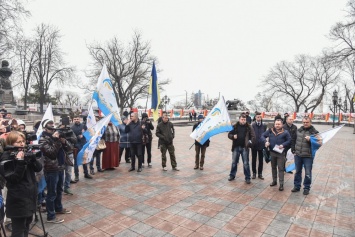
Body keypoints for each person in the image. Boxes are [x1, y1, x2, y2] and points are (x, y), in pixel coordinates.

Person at [0, 131, 42, 236]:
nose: (22, 144)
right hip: (18, 199)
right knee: (18, 230)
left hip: (30, 196)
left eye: (23, 141)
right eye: (18, 142)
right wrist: (20, 162)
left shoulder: (24, 152)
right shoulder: (6, 158)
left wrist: (33, 159)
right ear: (11, 143)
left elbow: (38, 168)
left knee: (27, 225)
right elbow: (13, 179)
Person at [39, 119, 72, 223]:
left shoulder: (57, 137)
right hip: (51, 169)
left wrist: (63, 141)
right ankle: (51, 216)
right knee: (51, 193)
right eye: (50, 125)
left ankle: (58, 208)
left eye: (53, 124)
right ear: (45, 127)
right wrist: (56, 140)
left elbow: (70, 148)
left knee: (59, 190)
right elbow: (51, 154)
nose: (53, 127)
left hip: (60, 167)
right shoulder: (43, 139)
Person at [262, 119, 291, 191]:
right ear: (274, 124)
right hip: (272, 152)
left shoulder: (285, 132)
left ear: (282, 125)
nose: (277, 126)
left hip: (281, 153)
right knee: (273, 167)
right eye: (276, 124)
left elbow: (289, 140)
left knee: (281, 168)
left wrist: (283, 145)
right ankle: (274, 181)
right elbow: (262, 136)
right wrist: (265, 142)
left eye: (279, 124)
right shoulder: (270, 130)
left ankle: (281, 184)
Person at [292, 117, 319, 195]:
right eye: (304, 122)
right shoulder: (298, 131)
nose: (305, 124)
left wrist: (311, 140)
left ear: (310, 122)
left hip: (308, 156)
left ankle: (306, 187)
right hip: (298, 155)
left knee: (307, 172)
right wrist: (293, 149)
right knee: (297, 171)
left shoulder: (314, 132)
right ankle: (297, 186)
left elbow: (319, 144)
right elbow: (293, 140)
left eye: (307, 122)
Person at [227, 114, 255, 184]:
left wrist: (249, 143)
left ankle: (247, 177)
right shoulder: (235, 126)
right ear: (239, 119)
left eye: (244, 120)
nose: (243, 121)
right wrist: (233, 136)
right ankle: (232, 175)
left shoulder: (249, 127)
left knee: (246, 163)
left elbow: (253, 136)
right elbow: (229, 134)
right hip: (236, 147)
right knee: (234, 162)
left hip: (244, 148)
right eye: (242, 119)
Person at [57, 123, 77, 195]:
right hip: (60, 154)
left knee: (68, 171)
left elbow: (75, 140)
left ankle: (67, 187)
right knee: (61, 172)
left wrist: (68, 138)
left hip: (69, 153)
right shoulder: (56, 131)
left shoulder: (70, 130)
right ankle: (60, 187)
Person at [71, 115, 92, 181]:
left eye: (77, 119)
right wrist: (77, 137)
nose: (76, 120)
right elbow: (71, 138)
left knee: (84, 160)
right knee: (76, 161)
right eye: (75, 119)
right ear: (73, 120)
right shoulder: (72, 128)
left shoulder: (83, 126)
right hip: (76, 147)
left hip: (83, 145)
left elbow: (88, 134)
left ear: (80, 119)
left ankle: (86, 173)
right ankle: (76, 176)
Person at [251, 112, 267, 179]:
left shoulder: (264, 125)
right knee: (254, 159)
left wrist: (265, 142)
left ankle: (260, 173)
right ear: (255, 117)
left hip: (261, 145)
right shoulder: (252, 125)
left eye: (260, 117)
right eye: (257, 117)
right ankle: (254, 173)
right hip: (254, 145)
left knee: (261, 160)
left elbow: (265, 134)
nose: (259, 118)